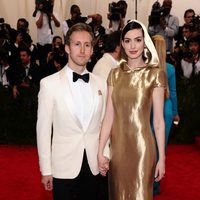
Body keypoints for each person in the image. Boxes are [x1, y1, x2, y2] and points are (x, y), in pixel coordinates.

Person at [36, 23, 109, 200]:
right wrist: (46, 169)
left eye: (87, 45)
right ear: (68, 48)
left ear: (92, 49)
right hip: (63, 167)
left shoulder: (102, 83)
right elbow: (43, 131)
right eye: (77, 44)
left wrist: (105, 155)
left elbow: (105, 123)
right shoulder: (49, 84)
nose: (82, 50)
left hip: (94, 165)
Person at [98, 19, 166, 200]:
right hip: (118, 150)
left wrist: (162, 158)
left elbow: (158, 122)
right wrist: (100, 151)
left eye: (137, 39)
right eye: (127, 41)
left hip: (143, 148)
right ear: (121, 44)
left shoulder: (155, 74)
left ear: (145, 42)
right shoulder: (115, 74)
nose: (133, 45)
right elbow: (108, 117)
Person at [151, 35, 180, 195]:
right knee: (161, 146)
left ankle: (148, 184)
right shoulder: (169, 68)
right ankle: (156, 186)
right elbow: (173, 92)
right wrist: (175, 113)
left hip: (151, 108)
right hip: (166, 108)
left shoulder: (147, 68)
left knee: (149, 146)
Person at [34, 0, 60, 67]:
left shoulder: (54, 12)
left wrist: (52, 15)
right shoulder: (39, 13)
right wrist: (42, 12)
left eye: (52, 2)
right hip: (42, 44)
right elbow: (39, 25)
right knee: (43, 64)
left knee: (53, 64)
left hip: (52, 43)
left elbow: (58, 24)